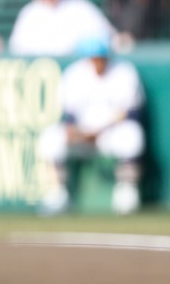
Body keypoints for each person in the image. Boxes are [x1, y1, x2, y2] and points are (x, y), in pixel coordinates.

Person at [37, 36, 145, 216]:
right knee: (51, 138)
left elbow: (131, 112)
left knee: (131, 134)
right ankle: (58, 193)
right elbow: (69, 116)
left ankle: (127, 192)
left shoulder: (123, 72)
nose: (97, 61)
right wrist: (76, 132)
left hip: (110, 134)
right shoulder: (75, 74)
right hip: (82, 136)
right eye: (93, 57)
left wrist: (98, 131)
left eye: (100, 57)